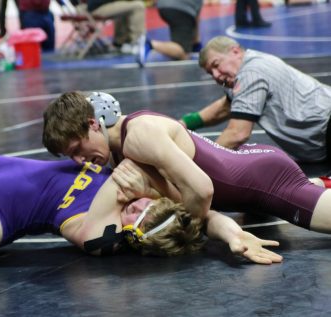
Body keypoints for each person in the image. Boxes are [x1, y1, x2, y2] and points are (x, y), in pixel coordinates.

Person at [0, 135, 281, 264]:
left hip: (0, 214)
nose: (134, 204)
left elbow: (132, 221)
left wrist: (118, 186)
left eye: (135, 215)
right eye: (143, 205)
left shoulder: (96, 235)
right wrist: (234, 234)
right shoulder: (148, 194)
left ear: (130, 233)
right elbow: (204, 217)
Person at [42, 91, 331, 254]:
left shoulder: (138, 136)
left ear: (93, 124)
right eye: (72, 157)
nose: (81, 161)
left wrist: (185, 228)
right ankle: (320, 185)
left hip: (266, 182)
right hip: (248, 171)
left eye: (78, 148)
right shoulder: (120, 149)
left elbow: (202, 189)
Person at [180, 36, 331, 164]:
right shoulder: (251, 62)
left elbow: (237, 133)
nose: (216, 75)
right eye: (210, 73)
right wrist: (185, 123)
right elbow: (225, 107)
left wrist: (200, 166)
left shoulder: (250, 74)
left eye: (216, 65)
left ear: (235, 51)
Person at [137, 0, 203, 67]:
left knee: (177, 25)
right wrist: (197, 45)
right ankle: (150, 44)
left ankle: (172, 47)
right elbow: (196, 23)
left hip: (162, 6)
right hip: (180, 10)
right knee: (184, 54)